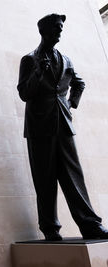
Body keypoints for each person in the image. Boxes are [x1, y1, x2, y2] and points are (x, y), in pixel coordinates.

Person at [17, 13, 108, 241]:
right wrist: (38, 72)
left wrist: (70, 104)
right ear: (44, 31)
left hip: (63, 124)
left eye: (61, 28)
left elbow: (80, 83)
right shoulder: (29, 60)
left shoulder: (66, 60)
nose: (60, 31)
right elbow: (24, 93)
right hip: (39, 126)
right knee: (44, 178)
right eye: (57, 27)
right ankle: (50, 228)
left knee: (73, 175)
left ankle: (90, 225)